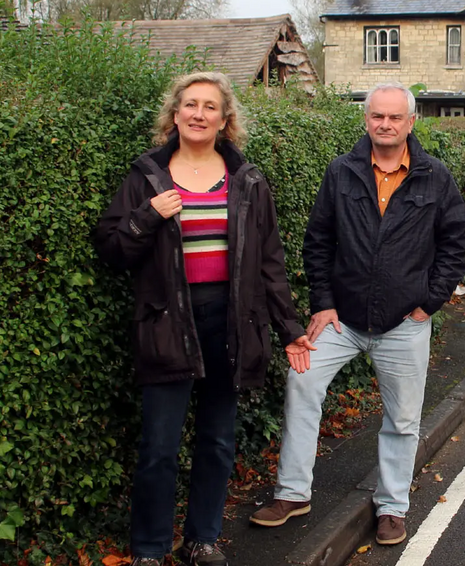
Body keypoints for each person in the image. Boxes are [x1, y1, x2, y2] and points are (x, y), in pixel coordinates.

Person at [94, 71, 310, 566]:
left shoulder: (248, 181)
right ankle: (149, 549)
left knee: (216, 440)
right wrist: (147, 216)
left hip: (231, 323)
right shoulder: (147, 176)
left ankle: (201, 540)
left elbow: (269, 263)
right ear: (174, 115)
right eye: (190, 104)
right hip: (167, 321)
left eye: (209, 107)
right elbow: (110, 249)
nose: (198, 114)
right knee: (159, 447)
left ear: (225, 119)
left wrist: (291, 330)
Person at [250, 82, 465, 547]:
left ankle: (391, 508)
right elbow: (318, 241)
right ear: (366, 120)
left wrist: (428, 302)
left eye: (394, 117)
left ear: (411, 123)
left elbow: (454, 244)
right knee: (302, 383)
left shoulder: (436, 177)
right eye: (377, 117)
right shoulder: (341, 172)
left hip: (404, 324)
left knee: (403, 420)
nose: (385, 125)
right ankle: (293, 494)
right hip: (342, 318)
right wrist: (323, 303)